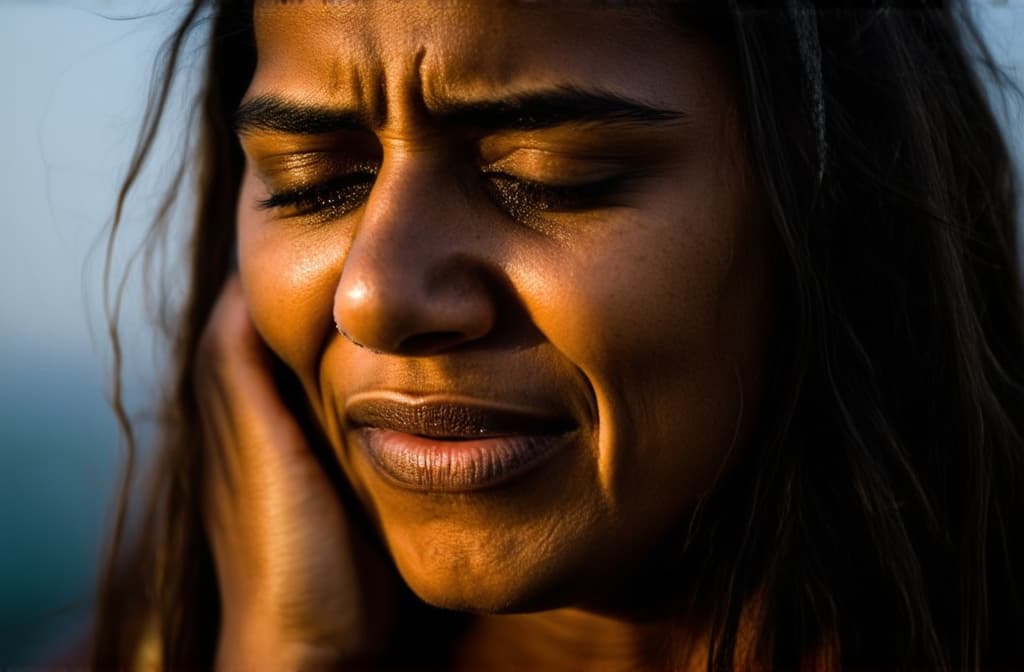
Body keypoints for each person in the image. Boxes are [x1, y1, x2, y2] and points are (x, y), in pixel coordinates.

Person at [90, 1, 1024, 669]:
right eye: (311, 182)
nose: (375, 297)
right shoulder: (144, 636)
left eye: (550, 174)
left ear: (838, 204)